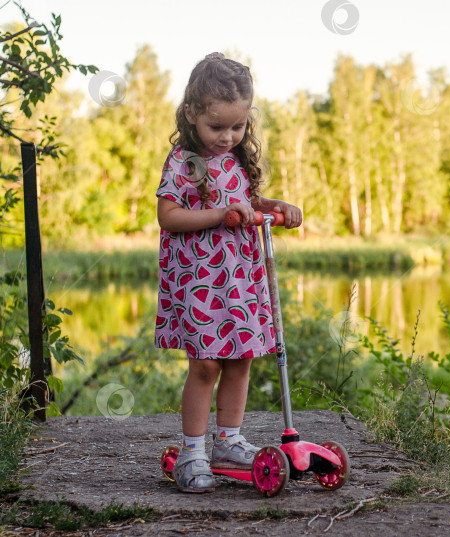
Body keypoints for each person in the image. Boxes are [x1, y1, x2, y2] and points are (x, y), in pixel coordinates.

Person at [154, 52, 303, 493]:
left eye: (237, 127)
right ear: (191, 115)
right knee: (205, 364)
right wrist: (221, 214)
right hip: (200, 280)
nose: (227, 137)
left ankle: (229, 440)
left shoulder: (236, 158)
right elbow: (169, 217)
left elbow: (244, 201)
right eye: (216, 127)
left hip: (239, 278)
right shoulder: (184, 160)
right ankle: (193, 451)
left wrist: (271, 206)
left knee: (240, 359)